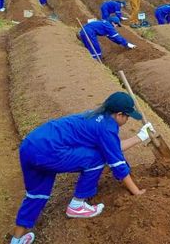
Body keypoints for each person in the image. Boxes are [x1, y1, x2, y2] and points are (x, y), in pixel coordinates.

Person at [9, 92, 151, 244]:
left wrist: (139, 137)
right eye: (127, 116)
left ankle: (16, 240)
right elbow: (116, 163)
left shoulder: (94, 115)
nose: (127, 120)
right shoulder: (107, 127)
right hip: (50, 151)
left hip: (31, 145)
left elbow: (112, 148)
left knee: (36, 195)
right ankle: (77, 205)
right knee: (97, 158)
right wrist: (136, 192)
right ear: (119, 114)